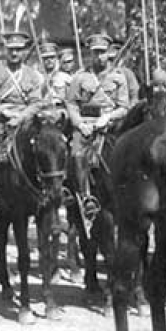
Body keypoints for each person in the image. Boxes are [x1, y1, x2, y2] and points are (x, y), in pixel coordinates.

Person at [66, 33, 131, 216]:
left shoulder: (118, 77)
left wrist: (109, 117)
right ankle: (86, 197)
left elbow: (124, 107)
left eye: (102, 52)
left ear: (109, 53)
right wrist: (79, 123)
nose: (98, 57)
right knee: (77, 154)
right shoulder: (80, 78)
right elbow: (71, 103)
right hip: (86, 124)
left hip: (110, 125)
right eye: (95, 53)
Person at [0, 31, 43, 211]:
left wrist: (21, 117)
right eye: (11, 49)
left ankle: (45, 192)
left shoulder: (32, 75)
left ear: (24, 51)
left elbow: (36, 102)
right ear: (5, 50)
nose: (14, 53)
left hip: (25, 121)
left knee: (45, 150)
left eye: (18, 50)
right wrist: (2, 111)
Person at [109, 37, 140, 105]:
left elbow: (134, 95)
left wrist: (130, 109)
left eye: (116, 58)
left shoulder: (128, 73)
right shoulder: (103, 73)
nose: (114, 61)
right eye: (110, 59)